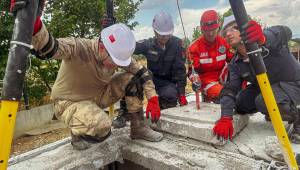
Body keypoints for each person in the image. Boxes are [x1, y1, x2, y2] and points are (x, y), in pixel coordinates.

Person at [30, 13, 163, 150]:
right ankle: (78, 132)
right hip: (68, 102)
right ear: (101, 47)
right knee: (102, 127)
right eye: (115, 62)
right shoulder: (79, 48)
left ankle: (138, 128)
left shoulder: (115, 53)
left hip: (98, 96)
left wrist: (152, 97)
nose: (117, 66)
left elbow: (143, 73)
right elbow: (50, 47)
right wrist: (34, 23)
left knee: (133, 79)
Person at [213, 15, 300, 143]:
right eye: (225, 32)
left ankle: (297, 116)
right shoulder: (235, 63)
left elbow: (285, 31)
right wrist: (225, 117)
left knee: (263, 101)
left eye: (233, 29)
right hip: (267, 85)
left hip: (292, 82)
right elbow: (230, 89)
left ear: (244, 29)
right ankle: (273, 109)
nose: (228, 34)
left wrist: (263, 38)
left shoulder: (267, 42)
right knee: (240, 103)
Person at [112, 11, 187, 128]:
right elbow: (129, 46)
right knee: (131, 80)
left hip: (168, 83)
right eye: (161, 34)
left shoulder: (177, 44)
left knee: (171, 95)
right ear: (154, 31)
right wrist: (113, 32)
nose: (164, 37)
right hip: (150, 80)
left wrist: (182, 94)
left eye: (167, 34)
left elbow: (180, 70)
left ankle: (163, 111)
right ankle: (125, 113)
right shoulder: (148, 44)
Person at [188, 10, 233, 103]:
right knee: (226, 95)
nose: (211, 33)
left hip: (223, 80)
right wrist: (194, 79)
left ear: (219, 26)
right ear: (202, 29)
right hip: (207, 83)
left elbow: (233, 61)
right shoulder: (194, 47)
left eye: (213, 30)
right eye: (207, 30)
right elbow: (191, 71)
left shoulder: (224, 42)